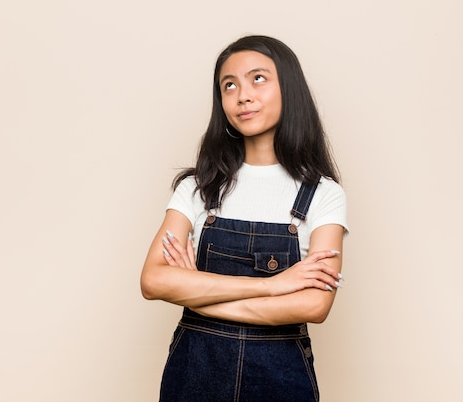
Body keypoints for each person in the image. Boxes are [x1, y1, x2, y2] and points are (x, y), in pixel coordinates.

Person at [140, 35, 348, 402]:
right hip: (195, 374)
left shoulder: (323, 193)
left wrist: (196, 294)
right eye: (229, 85)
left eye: (258, 79)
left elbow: (314, 305)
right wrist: (274, 285)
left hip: (281, 380)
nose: (242, 95)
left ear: (290, 88)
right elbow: (154, 281)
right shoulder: (198, 187)